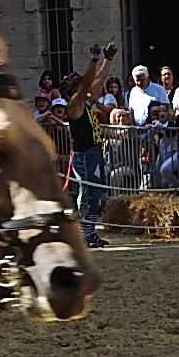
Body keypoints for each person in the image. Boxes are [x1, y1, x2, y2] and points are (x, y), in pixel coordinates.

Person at [63, 43, 118, 248]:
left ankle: (90, 233)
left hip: (93, 151)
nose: (84, 87)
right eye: (79, 86)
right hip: (84, 155)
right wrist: (93, 60)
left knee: (98, 195)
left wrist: (108, 58)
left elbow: (98, 79)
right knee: (88, 195)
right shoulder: (74, 105)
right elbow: (89, 82)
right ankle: (84, 235)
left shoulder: (84, 102)